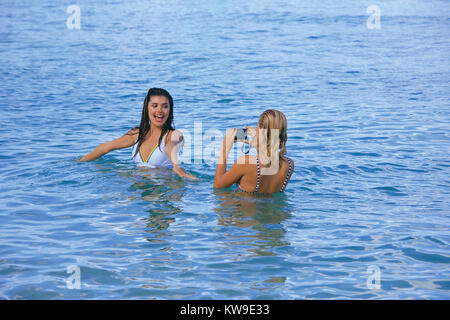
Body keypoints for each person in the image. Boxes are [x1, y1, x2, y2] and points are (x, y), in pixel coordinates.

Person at [80, 88, 195, 179]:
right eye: (154, 106)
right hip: (138, 186)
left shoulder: (174, 135)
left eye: (165, 106)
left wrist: (175, 165)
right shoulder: (138, 134)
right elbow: (107, 147)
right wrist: (80, 162)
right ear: (146, 108)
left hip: (162, 189)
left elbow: (170, 148)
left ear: (170, 110)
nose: (159, 110)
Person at [213, 109, 294, 193]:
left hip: (241, 205)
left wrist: (225, 149)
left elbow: (217, 186)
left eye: (257, 126)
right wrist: (258, 145)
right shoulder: (289, 165)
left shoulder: (246, 162)